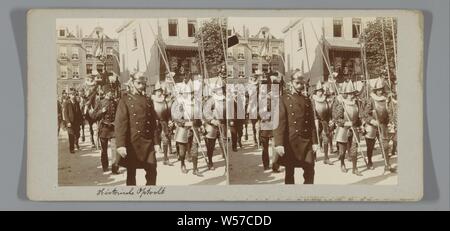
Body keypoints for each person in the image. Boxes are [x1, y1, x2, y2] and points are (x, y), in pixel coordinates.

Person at [114, 72, 161, 185]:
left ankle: (149, 196)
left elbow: (153, 124)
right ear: (132, 83)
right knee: (131, 174)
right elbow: (120, 124)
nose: (141, 86)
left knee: (152, 171)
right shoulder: (124, 100)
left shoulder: (148, 100)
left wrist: (156, 142)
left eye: (143, 83)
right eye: (138, 83)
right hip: (132, 142)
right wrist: (120, 145)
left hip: (147, 142)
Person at [273, 71, 318, 184]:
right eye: (297, 83)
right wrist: (279, 144)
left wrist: (315, 142)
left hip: (306, 141)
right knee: (289, 173)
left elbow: (311, 123)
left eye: (301, 83)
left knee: (310, 170)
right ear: (291, 82)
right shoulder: (283, 99)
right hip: (291, 141)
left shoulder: (307, 100)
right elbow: (279, 123)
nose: (300, 85)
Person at [362, 78, 396, 172]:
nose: (380, 91)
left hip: (383, 125)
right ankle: (369, 161)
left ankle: (387, 164)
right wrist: (372, 121)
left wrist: (390, 121)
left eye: (381, 89)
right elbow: (365, 114)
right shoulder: (371, 100)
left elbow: (388, 112)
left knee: (385, 145)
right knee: (370, 145)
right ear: (375, 90)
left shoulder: (385, 100)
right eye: (378, 90)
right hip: (372, 125)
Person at [332, 80, 363, 176]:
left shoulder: (355, 103)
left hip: (353, 128)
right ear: (345, 94)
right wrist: (346, 123)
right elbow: (337, 119)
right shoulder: (342, 104)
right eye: (349, 94)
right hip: (343, 129)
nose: (351, 95)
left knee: (354, 149)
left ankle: (355, 168)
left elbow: (357, 117)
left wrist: (360, 124)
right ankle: (342, 163)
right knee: (342, 151)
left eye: (352, 93)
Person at [173, 81, 203, 176]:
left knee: (195, 148)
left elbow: (198, 116)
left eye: (190, 93)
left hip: (194, 128)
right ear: (183, 93)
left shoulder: (196, 103)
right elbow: (176, 118)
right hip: (183, 129)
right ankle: (182, 164)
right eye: (187, 93)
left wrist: (200, 124)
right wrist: (186, 122)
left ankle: (195, 168)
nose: (189, 95)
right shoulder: (179, 103)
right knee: (182, 151)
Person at [93, 84, 119, 173]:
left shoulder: (115, 102)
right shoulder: (100, 102)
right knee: (104, 150)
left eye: (112, 92)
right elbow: (94, 116)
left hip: (113, 129)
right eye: (110, 92)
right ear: (106, 93)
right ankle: (105, 166)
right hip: (104, 128)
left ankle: (115, 168)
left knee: (114, 149)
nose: (111, 93)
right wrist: (101, 111)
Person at [312, 81, 334, 165]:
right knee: (314, 139)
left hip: (324, 121)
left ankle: (326, 157)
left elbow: (328, 111)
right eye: (318, 91)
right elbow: (311, 111)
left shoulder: (325, 101)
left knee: (326, 138)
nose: (320, 93)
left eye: (321, 91)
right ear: (316, 92)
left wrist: (330, 120)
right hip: (315, 122)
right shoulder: (313, 100)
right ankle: (314, 156)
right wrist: (314, 119)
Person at [152, 81, 173, 166]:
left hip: (164, 121)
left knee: (165, 139)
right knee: (154, 140)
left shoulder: (164, 101)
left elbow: (168, 111)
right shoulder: (152, 100)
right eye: (157, 91)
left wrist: (170, 120)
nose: (159, 92)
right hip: (155, 123)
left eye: (160, 91)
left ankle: (165, 158)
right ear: (155, 92)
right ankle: (152, 159)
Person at [63, 89, 83, 154]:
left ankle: (76, 143)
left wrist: (82, 120)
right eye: (72, 95)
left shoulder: (77, 102)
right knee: (71, 135)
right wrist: (68, 122)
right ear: (70, 95)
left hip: (76, 122)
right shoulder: (66, 103)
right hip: (70, 123)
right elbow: (65, 114)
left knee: (78, 134)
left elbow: (79, 112)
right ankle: (72, 148)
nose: (73, 96)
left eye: (74, 94)